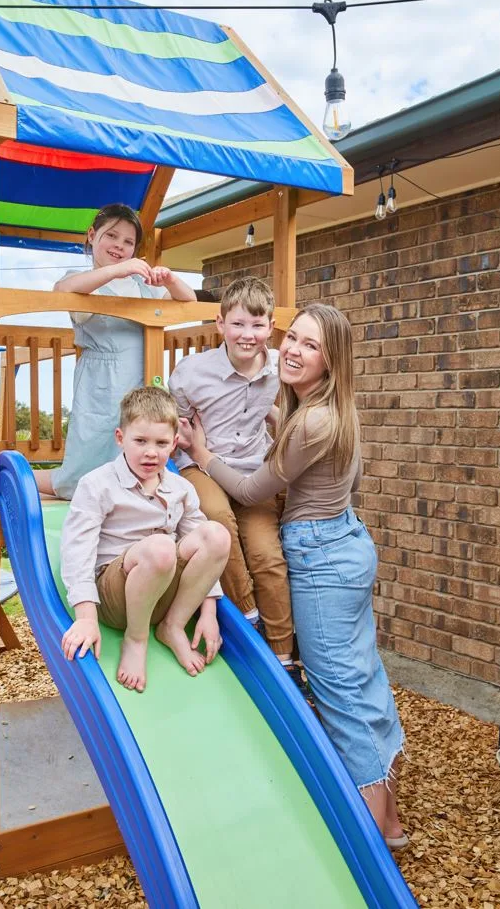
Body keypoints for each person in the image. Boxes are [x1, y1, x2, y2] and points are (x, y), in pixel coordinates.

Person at [182, 303, 407, 845]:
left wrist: (202, 453)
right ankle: (392, 820)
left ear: (331, 362)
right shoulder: (325, 410)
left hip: (320, 557)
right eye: (293, 338)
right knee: (362, 675)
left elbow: (253, 492)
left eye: (310, 345)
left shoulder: (315, 420)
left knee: (338, 694)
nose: (291, 350)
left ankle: (368, 843)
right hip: (347, 542)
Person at [169, 279, 302, 692]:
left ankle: (283, 657)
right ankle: (247, 620)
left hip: (253, 474)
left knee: (267, 554)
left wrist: (281, 422)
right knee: (216, 519)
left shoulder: (280, 367)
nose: (248, 335)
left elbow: (290, 409)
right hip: (203, 467)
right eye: (238, 324)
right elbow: (177, 426)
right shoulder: (191, 373)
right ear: (220, 323)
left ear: (271, 327)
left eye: (258, 325)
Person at [59, 386, 231, 693]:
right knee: (162, 547)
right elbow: (77, 551)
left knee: (216, 535)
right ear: (120, 438)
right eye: (140, 441)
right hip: (117, 595)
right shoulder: (98, 485)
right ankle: (136, 640)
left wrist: (208, 613)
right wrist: (86, 616)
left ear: (174, 443)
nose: (150, 452)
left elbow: (204, 556)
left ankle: (172, 626)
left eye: (161, 443)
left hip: (163, 593)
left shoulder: (181, 488)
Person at [34, 203, 196, 499]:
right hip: (101, 380)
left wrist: (170, 279)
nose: (119, 246)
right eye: (112, 236)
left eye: (128, 242)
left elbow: (189, 300)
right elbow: (62, 291)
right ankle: (24, 478)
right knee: (89, 459)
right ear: (92, 235)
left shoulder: (142, 284)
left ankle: (127, 497)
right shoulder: (84, 280)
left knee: (135, 447)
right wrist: (114, 271)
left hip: (141, 376)